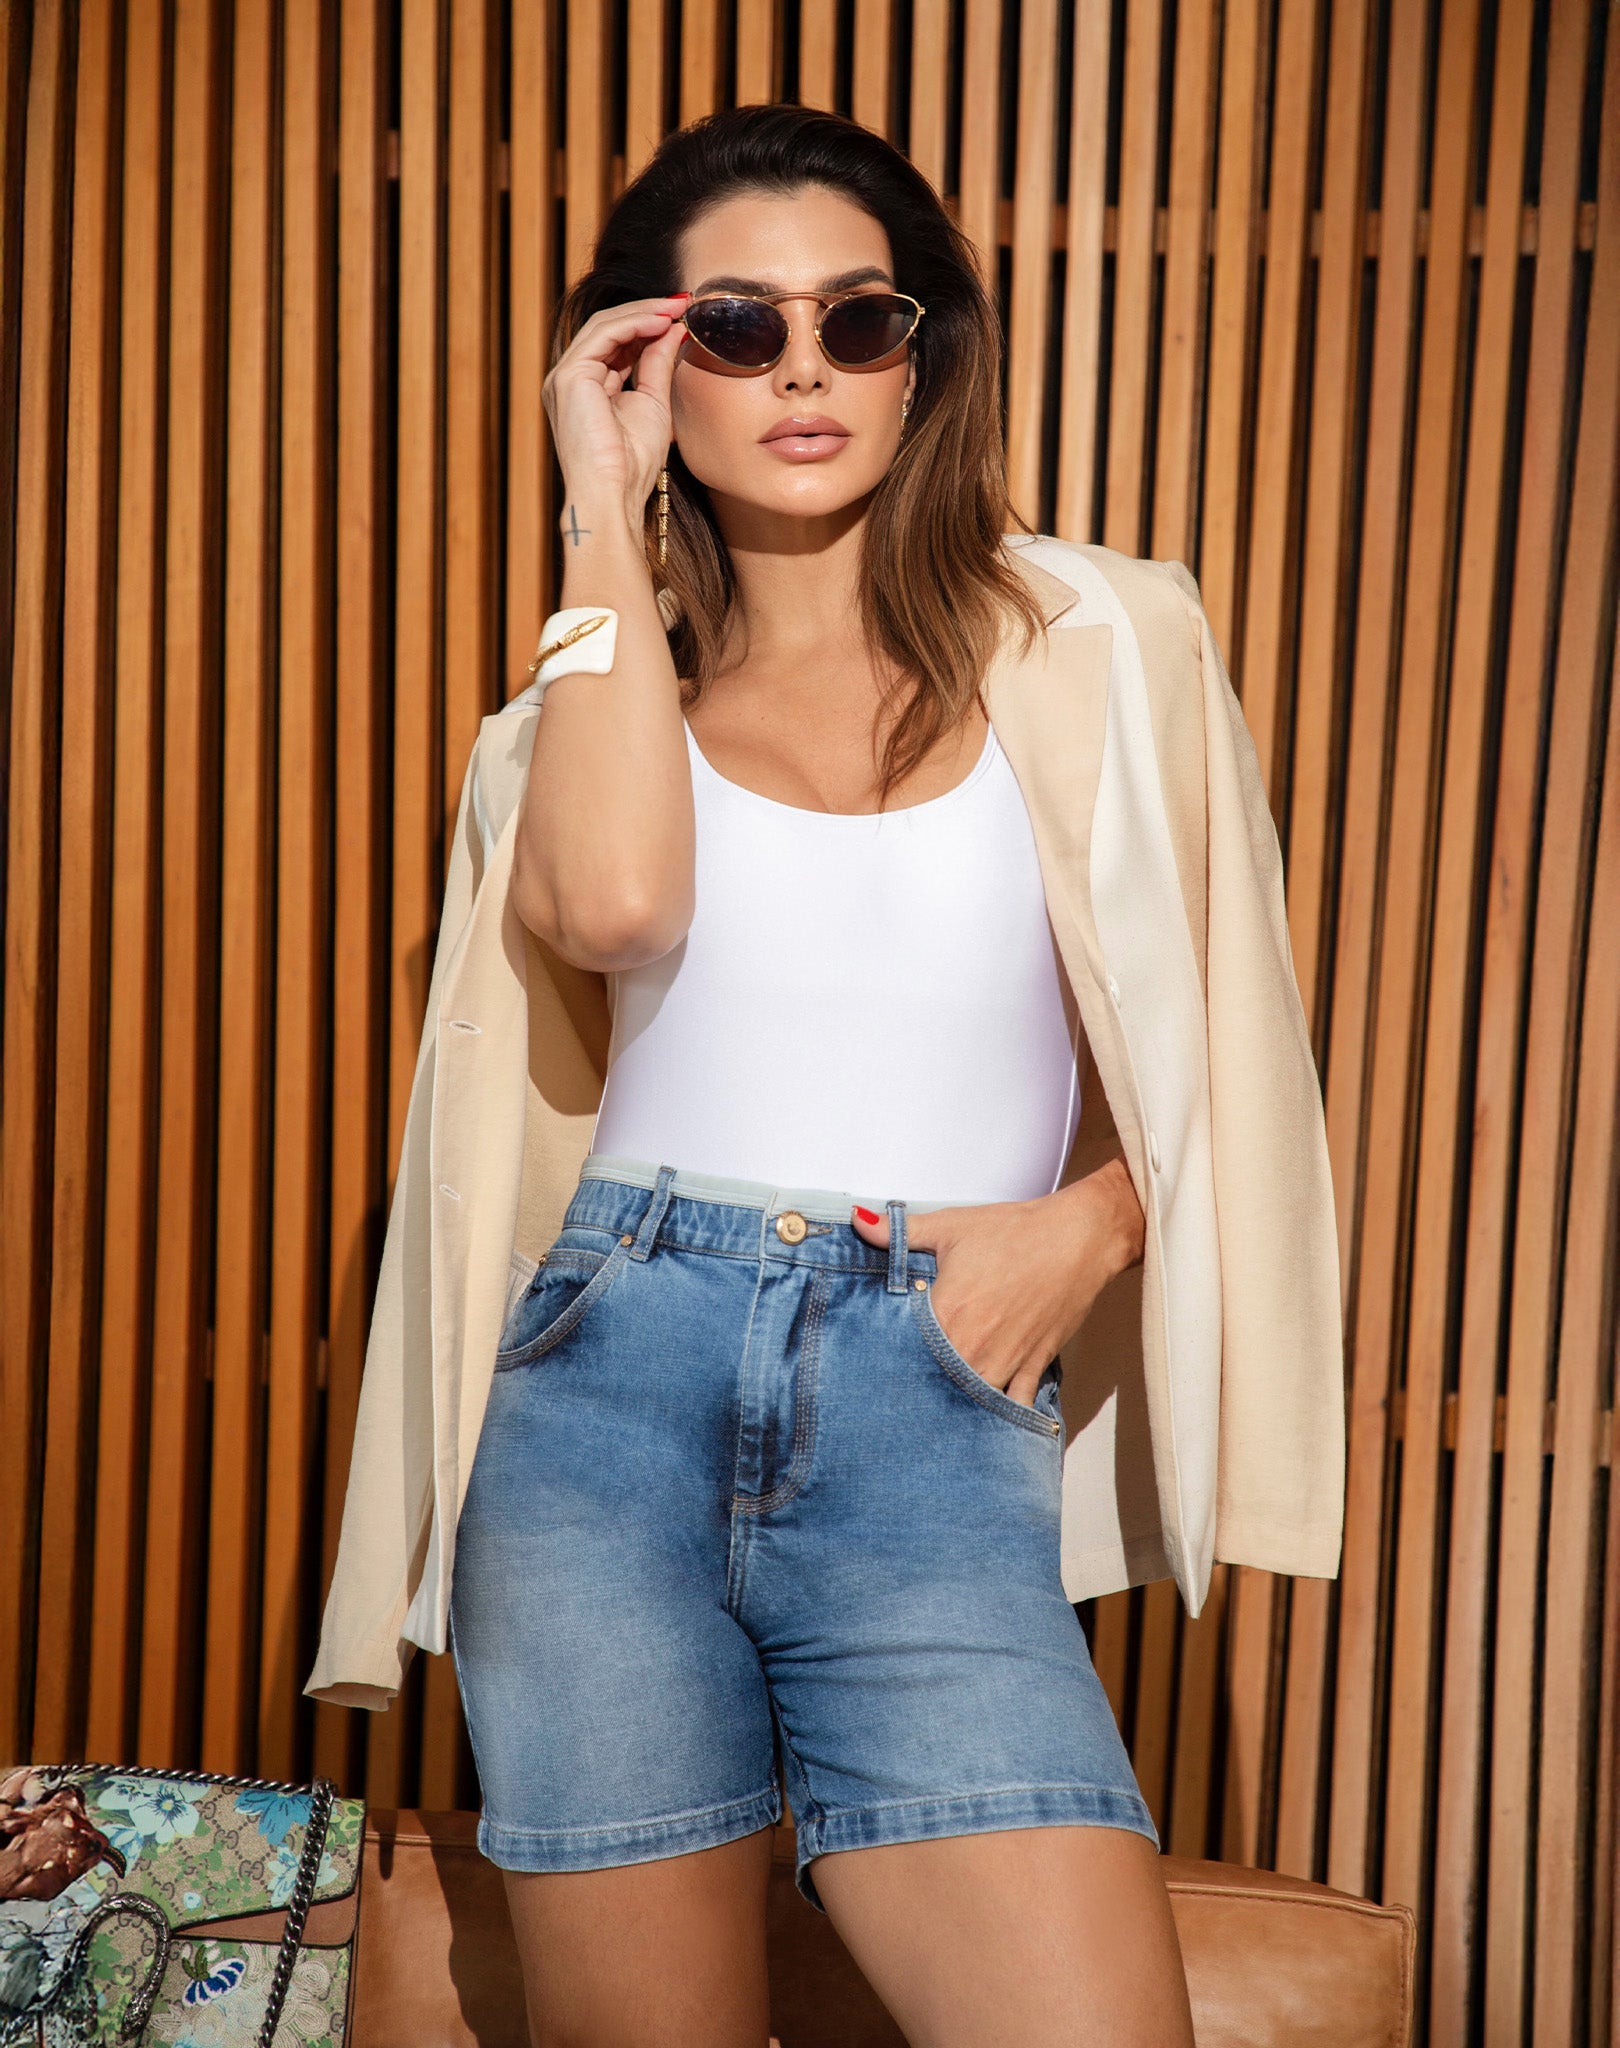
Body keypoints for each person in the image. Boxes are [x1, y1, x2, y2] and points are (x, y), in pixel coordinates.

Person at [305, 102, 1346, 2048]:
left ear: (921, 357)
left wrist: (1090, 1226)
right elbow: (615, 906)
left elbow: (1229, 1049)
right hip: (603, 1406)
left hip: (928, 1402)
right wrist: (598, 502)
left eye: (855, 321)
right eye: (733, 324)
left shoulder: (1113, 643)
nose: (801, 368)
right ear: (648, 363)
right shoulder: (568, 720)